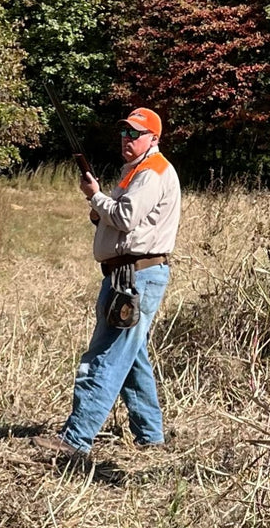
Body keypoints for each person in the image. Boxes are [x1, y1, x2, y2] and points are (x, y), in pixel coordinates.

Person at [32, 106, 182, 460]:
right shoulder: (136, 171)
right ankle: (151, 435)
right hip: (129, 273)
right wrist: (101, 206)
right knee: (132, 356)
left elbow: (126, 218)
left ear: (153, 139)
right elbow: (116, 217)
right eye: (125, 132)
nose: (127, 139)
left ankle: (76, 439)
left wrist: (95, 196)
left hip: (136, 276)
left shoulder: (152, 172)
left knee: (106, 356)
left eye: (135, 134)